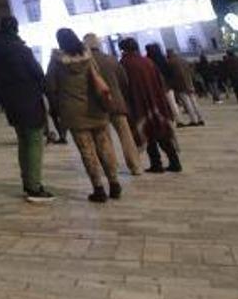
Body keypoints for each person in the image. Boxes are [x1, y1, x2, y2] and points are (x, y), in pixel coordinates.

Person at [47, 29, 122, 203]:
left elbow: (51, 85)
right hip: (95, 107)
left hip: (74, 112)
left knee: (87, 151)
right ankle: (114, 183)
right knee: (105, 146)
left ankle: (98, 188)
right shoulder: (88, 58)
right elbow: (98, 78)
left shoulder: (57, 61)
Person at [0, 18, 53, 202]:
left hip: (11, 102)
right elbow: (37, 73)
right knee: (34, 142)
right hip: (29, 99)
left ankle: (27, 180)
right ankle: (34, 186)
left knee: (23, 141)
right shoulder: (20, 49)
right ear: (16, 29)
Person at [118, 38, 183, 174]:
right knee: (161, 132)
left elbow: (124, 86)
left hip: (138, 103)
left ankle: (156, 163)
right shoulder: (147, 62)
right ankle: (174, 161)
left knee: (148, 134)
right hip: (155, 101)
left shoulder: (125, 63)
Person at [84, 33, 141, 176]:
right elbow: (124, 80)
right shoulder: (111, 59)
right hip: (116, 102)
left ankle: (112, 167)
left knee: (105, 139)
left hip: (98, 106)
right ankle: (135, 166)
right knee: (125, 135)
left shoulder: (85, 63)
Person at [165, 50, 205, 127]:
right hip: (189, 83)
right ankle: (200, 118)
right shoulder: (183, 60)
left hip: (181, 86)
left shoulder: (170, 63)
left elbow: (172, 76)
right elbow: (191, 71)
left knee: (187, 103)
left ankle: (193, 120)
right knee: (194, 102)